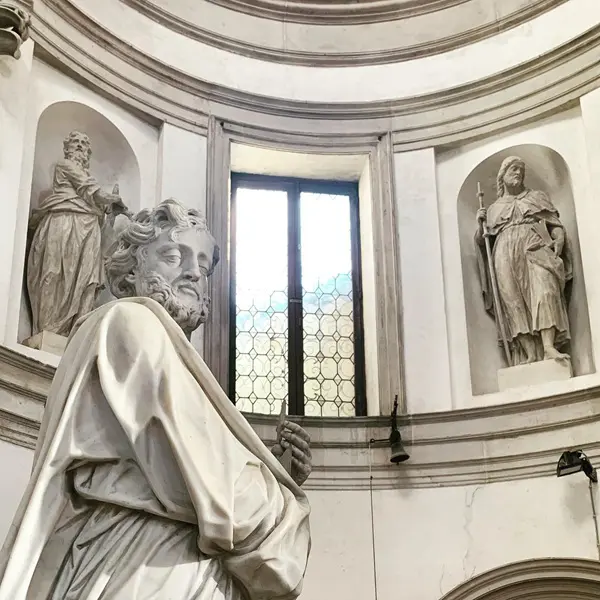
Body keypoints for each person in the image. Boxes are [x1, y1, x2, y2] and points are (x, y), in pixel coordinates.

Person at [0, 199, 311, 599]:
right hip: (137, 561)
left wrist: (272, 472)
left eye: (203, 264)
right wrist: (280, 503)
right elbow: (212, 490)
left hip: (155, 559)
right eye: (173, 255)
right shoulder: (130, 322)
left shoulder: (176, 359)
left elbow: (193, 471)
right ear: (132, 270)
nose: (194, 272)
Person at [27, 131, 129, 337]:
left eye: (84, 143)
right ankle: (49, 328)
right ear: (67, 148)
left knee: (84, 280)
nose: (80, 146)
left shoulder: (88, 177)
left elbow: (97, 200)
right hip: (64, 220)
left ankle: (74, 334)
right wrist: (115, 200)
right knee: (55, 272)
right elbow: (94, 192)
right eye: (76, 142)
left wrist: (111, 209)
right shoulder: (65, 165)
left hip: (89, 228)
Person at [476, 156, 573, 365]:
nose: (518, 173)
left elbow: (554, 223)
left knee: (545, 290)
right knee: (512, 301)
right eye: (513, 169)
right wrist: (480, 224)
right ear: (502, 175)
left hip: (534, 246)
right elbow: (483, 242)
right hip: (504, 252)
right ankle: (530, 353)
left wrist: (559, 238)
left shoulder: (536, 197)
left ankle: (548, 346)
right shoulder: (493, 209)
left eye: (521, 169)